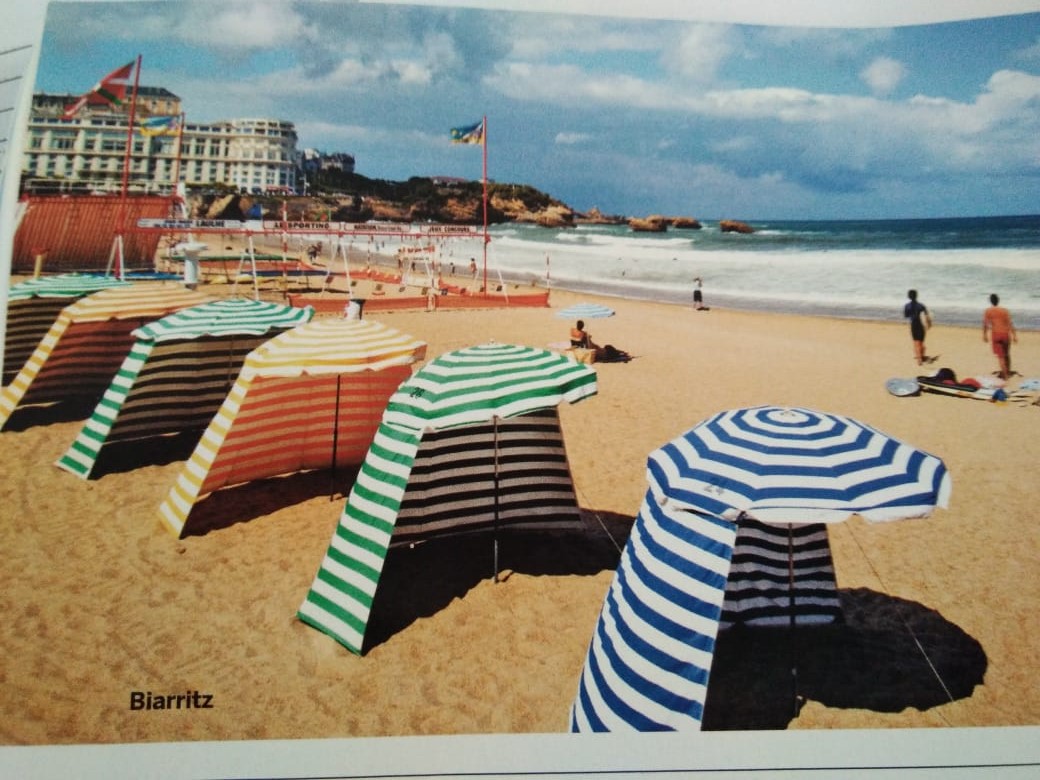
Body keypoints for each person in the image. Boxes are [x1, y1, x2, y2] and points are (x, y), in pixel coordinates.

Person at [982, 293, 1017, 380]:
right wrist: (1014, 335)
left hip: (996, 334)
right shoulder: (1004, 311)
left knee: (1000, 357)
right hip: (1005, 334)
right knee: (1007, 354)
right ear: (998, 300)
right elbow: (1009, 323)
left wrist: (984, 335)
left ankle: (1005, 376)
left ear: (990, 301)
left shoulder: (988, 311)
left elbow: (985, 324)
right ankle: (1007, 372)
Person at [903, 289, 932, 365]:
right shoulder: (921, 305)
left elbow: (906, 315)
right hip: (920, 324)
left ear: (909, 296)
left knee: (916, 342)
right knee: (921, 342)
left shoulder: (907, 306)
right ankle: (921, 356)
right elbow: (927, 315)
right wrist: (929, 324)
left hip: (913, 324)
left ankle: (919, 359)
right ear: (917, 296)